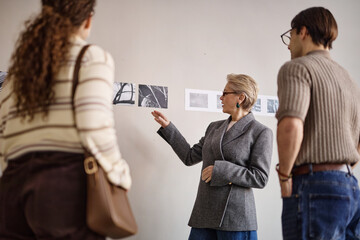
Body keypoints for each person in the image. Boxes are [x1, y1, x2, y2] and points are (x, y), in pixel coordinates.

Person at [0, 0, 131, 239]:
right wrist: (119, 173)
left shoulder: (20, 70)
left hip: (12, 186)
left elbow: (2, 133)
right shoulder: (91, 57)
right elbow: (94, 126)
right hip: (63, 186)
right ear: (88, 20)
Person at [152, 74, 273, 240]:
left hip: (235, 219)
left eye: (225, 93)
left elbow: (260, 177)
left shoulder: (260, 132)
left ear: (241, 97)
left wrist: (221, 171)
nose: (221, 97)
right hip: (204, 214)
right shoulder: (214, 127)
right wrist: (169, 128)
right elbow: (189, 157)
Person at [276, 7, 360, 240]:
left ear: (302, 31)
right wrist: (341, 174)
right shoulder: (349, 78)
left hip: (313, 186)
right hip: (350, 187)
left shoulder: (296, 68)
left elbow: (291, 125)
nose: (288, 44)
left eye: (289, 36)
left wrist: (284, 176)